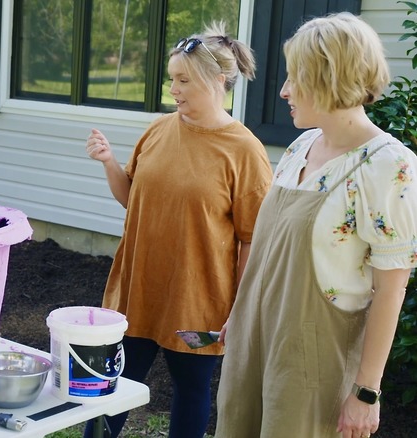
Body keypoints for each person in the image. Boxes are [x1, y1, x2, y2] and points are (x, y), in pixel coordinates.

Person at [215, 12, 417, 438]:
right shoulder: (302, 144)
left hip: (311, 365)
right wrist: (240, 312)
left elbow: (391, 288)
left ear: (330, 78)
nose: (285, 91)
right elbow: (271, 247)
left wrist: (366, 392)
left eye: (295, 79)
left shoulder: (388, 166)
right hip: (254, 342)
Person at [84, 22, 273, 438]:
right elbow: (135, 200)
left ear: (218, 80)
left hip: (198, 300)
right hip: (138, 291)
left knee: (191, 389)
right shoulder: (158, 129)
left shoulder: (244, 151)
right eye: (173, 79)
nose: (174, 89)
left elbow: (251, 238)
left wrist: (238, 307)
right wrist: (109, 162)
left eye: (184, 80)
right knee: (110, 384)